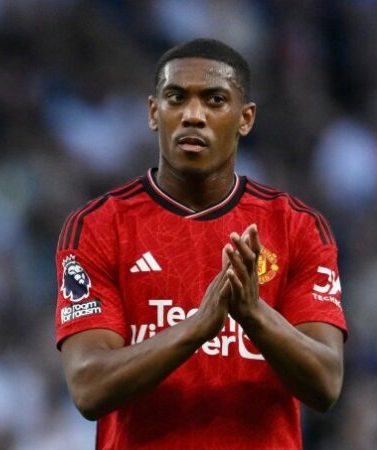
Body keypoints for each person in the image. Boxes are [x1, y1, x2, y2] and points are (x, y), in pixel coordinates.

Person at [54, 38, 347, 449]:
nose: (193, 115)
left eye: (214, 100)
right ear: (155, 113)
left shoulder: (295, 227)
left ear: (245, 119)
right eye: (176, 98)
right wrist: (198, 326)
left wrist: (253, 315)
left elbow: (326, 383)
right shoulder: (99, 227)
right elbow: (88, 387)